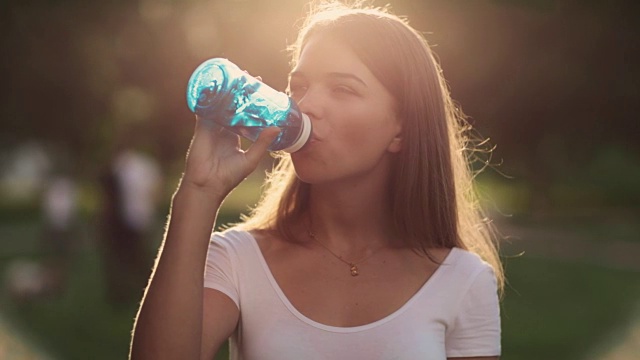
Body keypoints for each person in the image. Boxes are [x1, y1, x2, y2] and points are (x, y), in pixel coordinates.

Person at [130, 2, 504, 359]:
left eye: (343, 89)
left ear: (401, 131)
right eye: (299, 86)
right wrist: (199, 193)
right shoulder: (238, 260)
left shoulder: (462, 280)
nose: (305, 105)